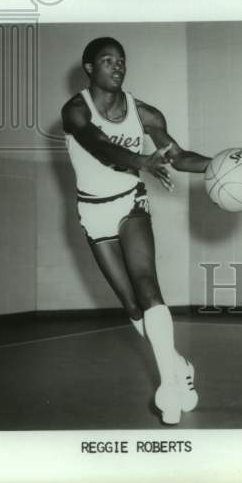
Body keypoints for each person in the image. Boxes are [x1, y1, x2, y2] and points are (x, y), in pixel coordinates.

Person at [61, 37, 210, 425]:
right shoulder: (76, 109)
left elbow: (177, 157)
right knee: (130, 306)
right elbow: (99, 146)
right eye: (108, 60)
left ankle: (168, 387)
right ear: (89, 68)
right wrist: (141, 159)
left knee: (147, 286)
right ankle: (180, 366)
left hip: (131, 202)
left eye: (122, 60)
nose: (117, 66)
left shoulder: (144, 113)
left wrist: (220, 165)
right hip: (92, 212)